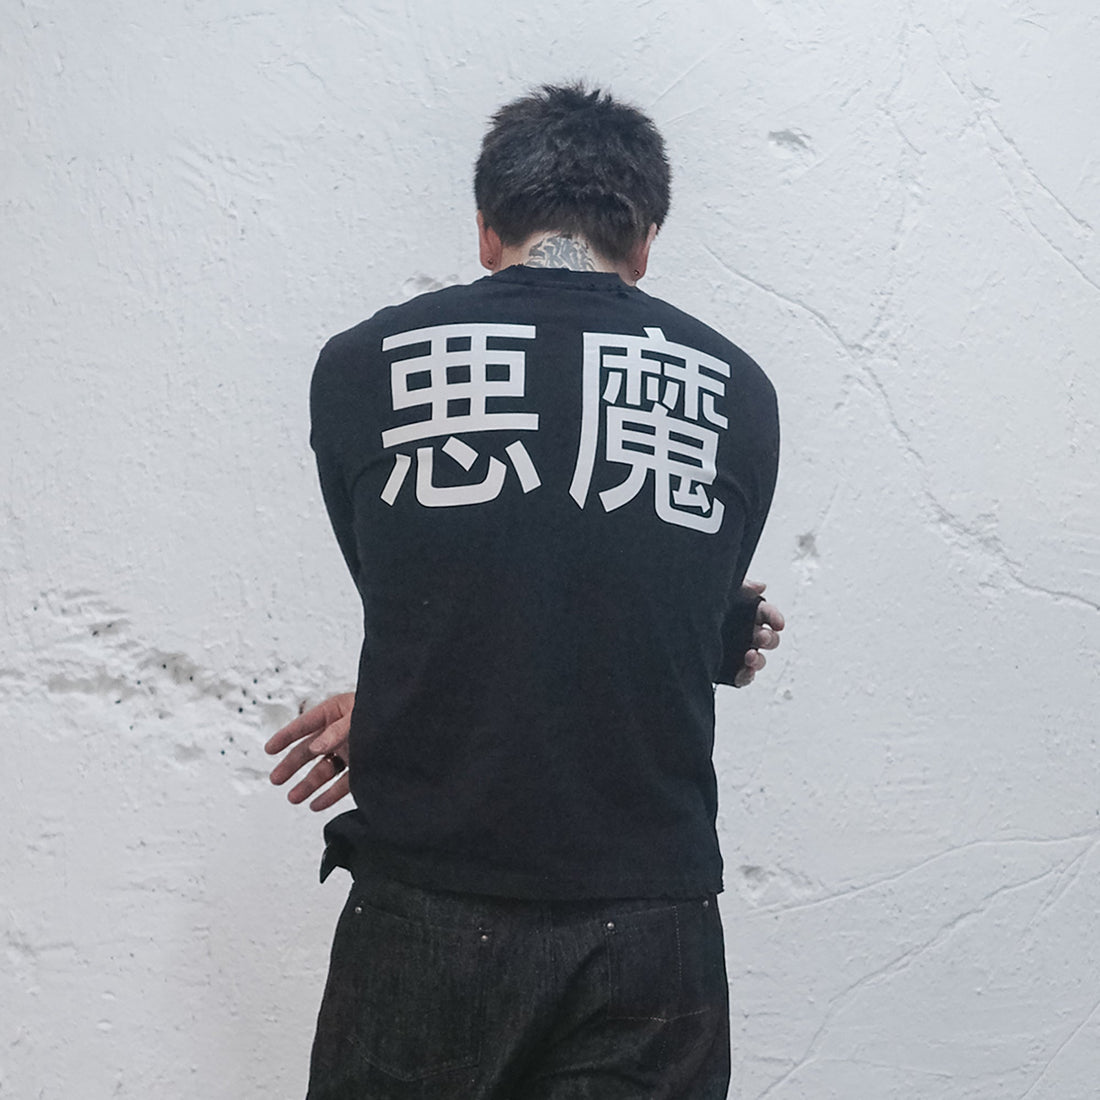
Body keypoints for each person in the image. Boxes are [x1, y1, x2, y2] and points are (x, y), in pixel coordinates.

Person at [265, 83, 783, 1100]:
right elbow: (671, 600)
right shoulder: (734, 390)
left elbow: (416, 585)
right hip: (650, 913)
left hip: (430, 900)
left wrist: (414, 710)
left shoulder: (361, 368)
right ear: (645, 241)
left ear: (485, 228)